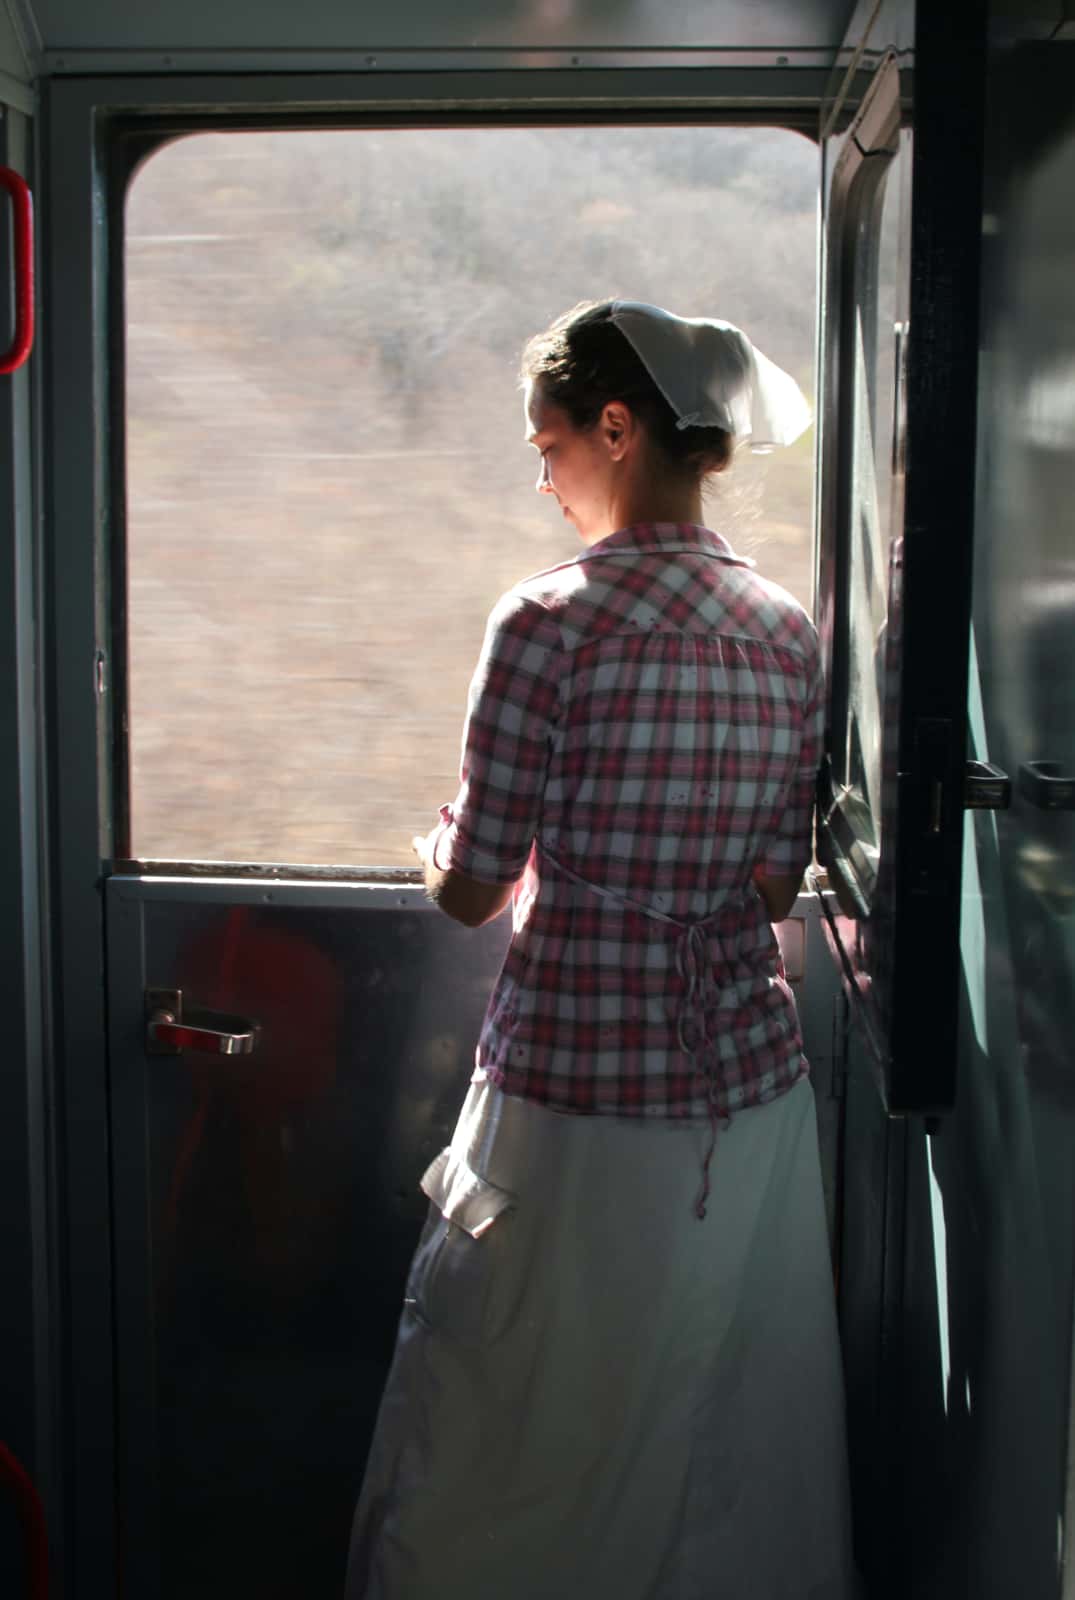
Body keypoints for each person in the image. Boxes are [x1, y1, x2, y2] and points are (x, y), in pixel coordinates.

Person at [344, 300, 855, 1600]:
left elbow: (468, 888)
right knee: (720, 1434)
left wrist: (434, 841)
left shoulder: (549, 622)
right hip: (745, 1111)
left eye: (550, 443)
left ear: (616, 429)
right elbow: (769, 873)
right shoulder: (787, 632)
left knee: (500, 1439)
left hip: (572, 1110)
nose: (542, 475)